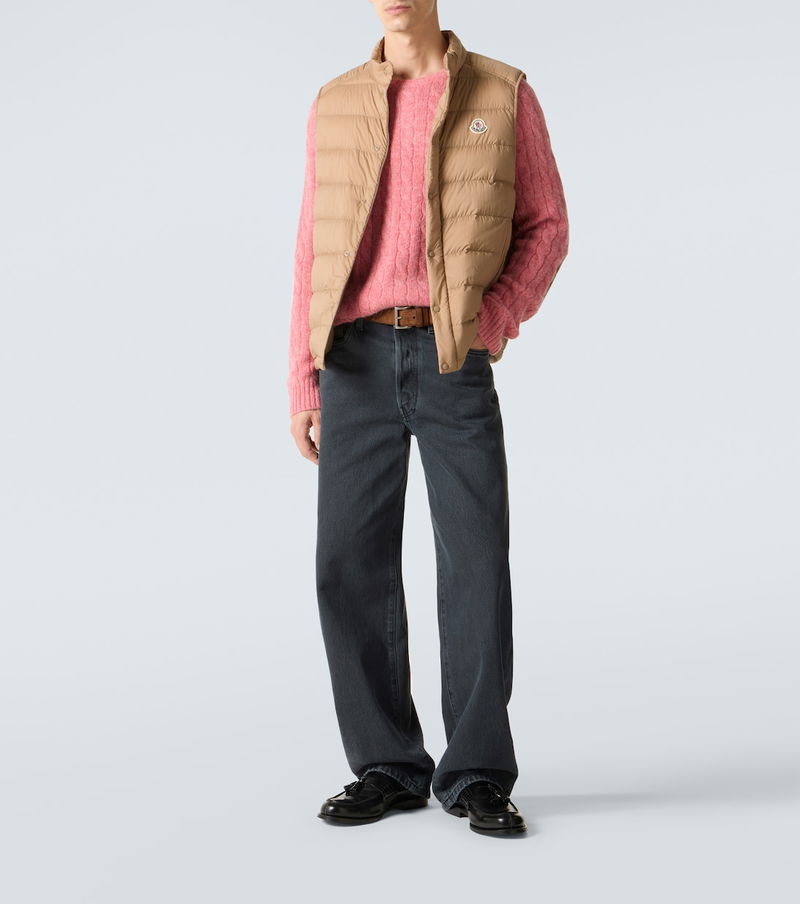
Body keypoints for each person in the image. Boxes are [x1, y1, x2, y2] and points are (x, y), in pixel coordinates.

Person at [287, 1, 568, 837]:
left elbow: (547, 226)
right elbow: (310, 247)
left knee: (475, 561)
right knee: (347, 565)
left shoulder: (503, 92)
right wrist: (303, 379)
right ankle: (386, 764)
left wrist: (491, 320)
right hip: (353, 362)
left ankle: (476, 770)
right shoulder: (336, 101)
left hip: (452, 359)